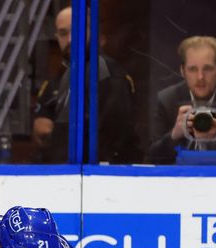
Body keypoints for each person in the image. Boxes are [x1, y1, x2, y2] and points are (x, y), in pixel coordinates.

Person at [32, 5, 140, 163]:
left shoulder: (106, 71)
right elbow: (42, 129)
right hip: (66, 174)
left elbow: (117, 137)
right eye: (63, 33)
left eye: (76, 31)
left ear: (92, 31)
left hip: (99, 177)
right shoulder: (66, 74)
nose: (70, 39)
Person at [149, 36, 216, 164]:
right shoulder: (167, 100)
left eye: (207, 69)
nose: (200, 77)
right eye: (192, 69)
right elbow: (151, 158)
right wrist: (174, 135)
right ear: (182, 71)